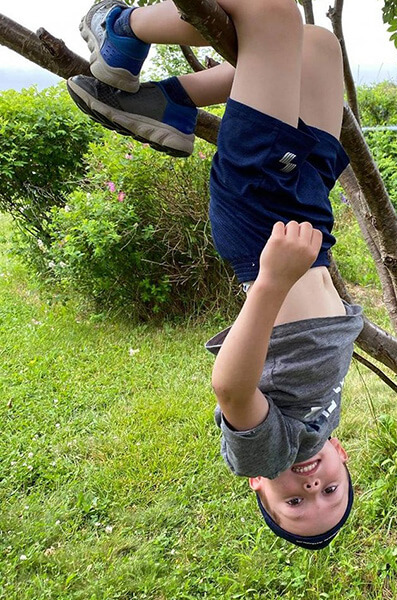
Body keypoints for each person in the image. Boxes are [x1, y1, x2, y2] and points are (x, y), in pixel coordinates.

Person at [67, 0, 363, 550]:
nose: (313, 485)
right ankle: (168, 100)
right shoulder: (323, 428)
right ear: (344, 465)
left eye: (294, 502)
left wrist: (274, 280)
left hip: (259, 220)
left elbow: (230, 386)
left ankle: (119, 28)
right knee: (318, 48)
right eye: (331, 494)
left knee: (272, 16)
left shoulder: (266, 452)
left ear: (260, 485)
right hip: (306, 206)